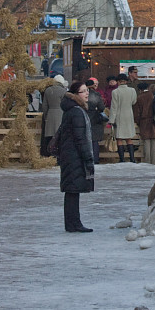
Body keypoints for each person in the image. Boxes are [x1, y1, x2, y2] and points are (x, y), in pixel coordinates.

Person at [59, 81, 94, 233]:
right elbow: (80, 138)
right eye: (83, 91)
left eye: (87, 90)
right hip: (74, 155)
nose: (87, 93)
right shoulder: (77, 112)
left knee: (72, 190)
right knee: (73, 190)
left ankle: (72, 223)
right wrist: (87, 157)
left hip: (69, 154)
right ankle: (74, 223)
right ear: (76, 95)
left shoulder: (72, 110)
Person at [109, 73, 137, 162]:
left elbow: (114, 107)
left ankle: (122, 159)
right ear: (126, 81)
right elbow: (134, 102)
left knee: (119, 138)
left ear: (118, 81)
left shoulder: (115, 92)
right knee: (129, 138)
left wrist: (111, 120)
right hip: (129, 115)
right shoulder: (132, 90)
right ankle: (132, 158)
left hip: (119, 116)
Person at [133, 82, 155, 165]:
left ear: (140, 90)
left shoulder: (139, 98)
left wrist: (139, 122)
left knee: (146, 142)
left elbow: (136, 114)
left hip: (145, 122)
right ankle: (154, 163)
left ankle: (147, 163)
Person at [42, 74, 68, 155]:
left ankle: (50, 154)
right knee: (59, 136)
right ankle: (58, 154)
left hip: (50, 114)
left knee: (50, 136)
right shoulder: (63, 91)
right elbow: (66, 105)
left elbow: (44, 106)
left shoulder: (48, 90)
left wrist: (46, 116)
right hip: (60, 114)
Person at [86, 78, 106, 164]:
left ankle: (87, 159)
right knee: (95, 141)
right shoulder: (96, 94)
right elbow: (101, 107)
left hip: (85, 117)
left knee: (86, 139)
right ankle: (95, 159)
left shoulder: (83, 94)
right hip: (95, 118)